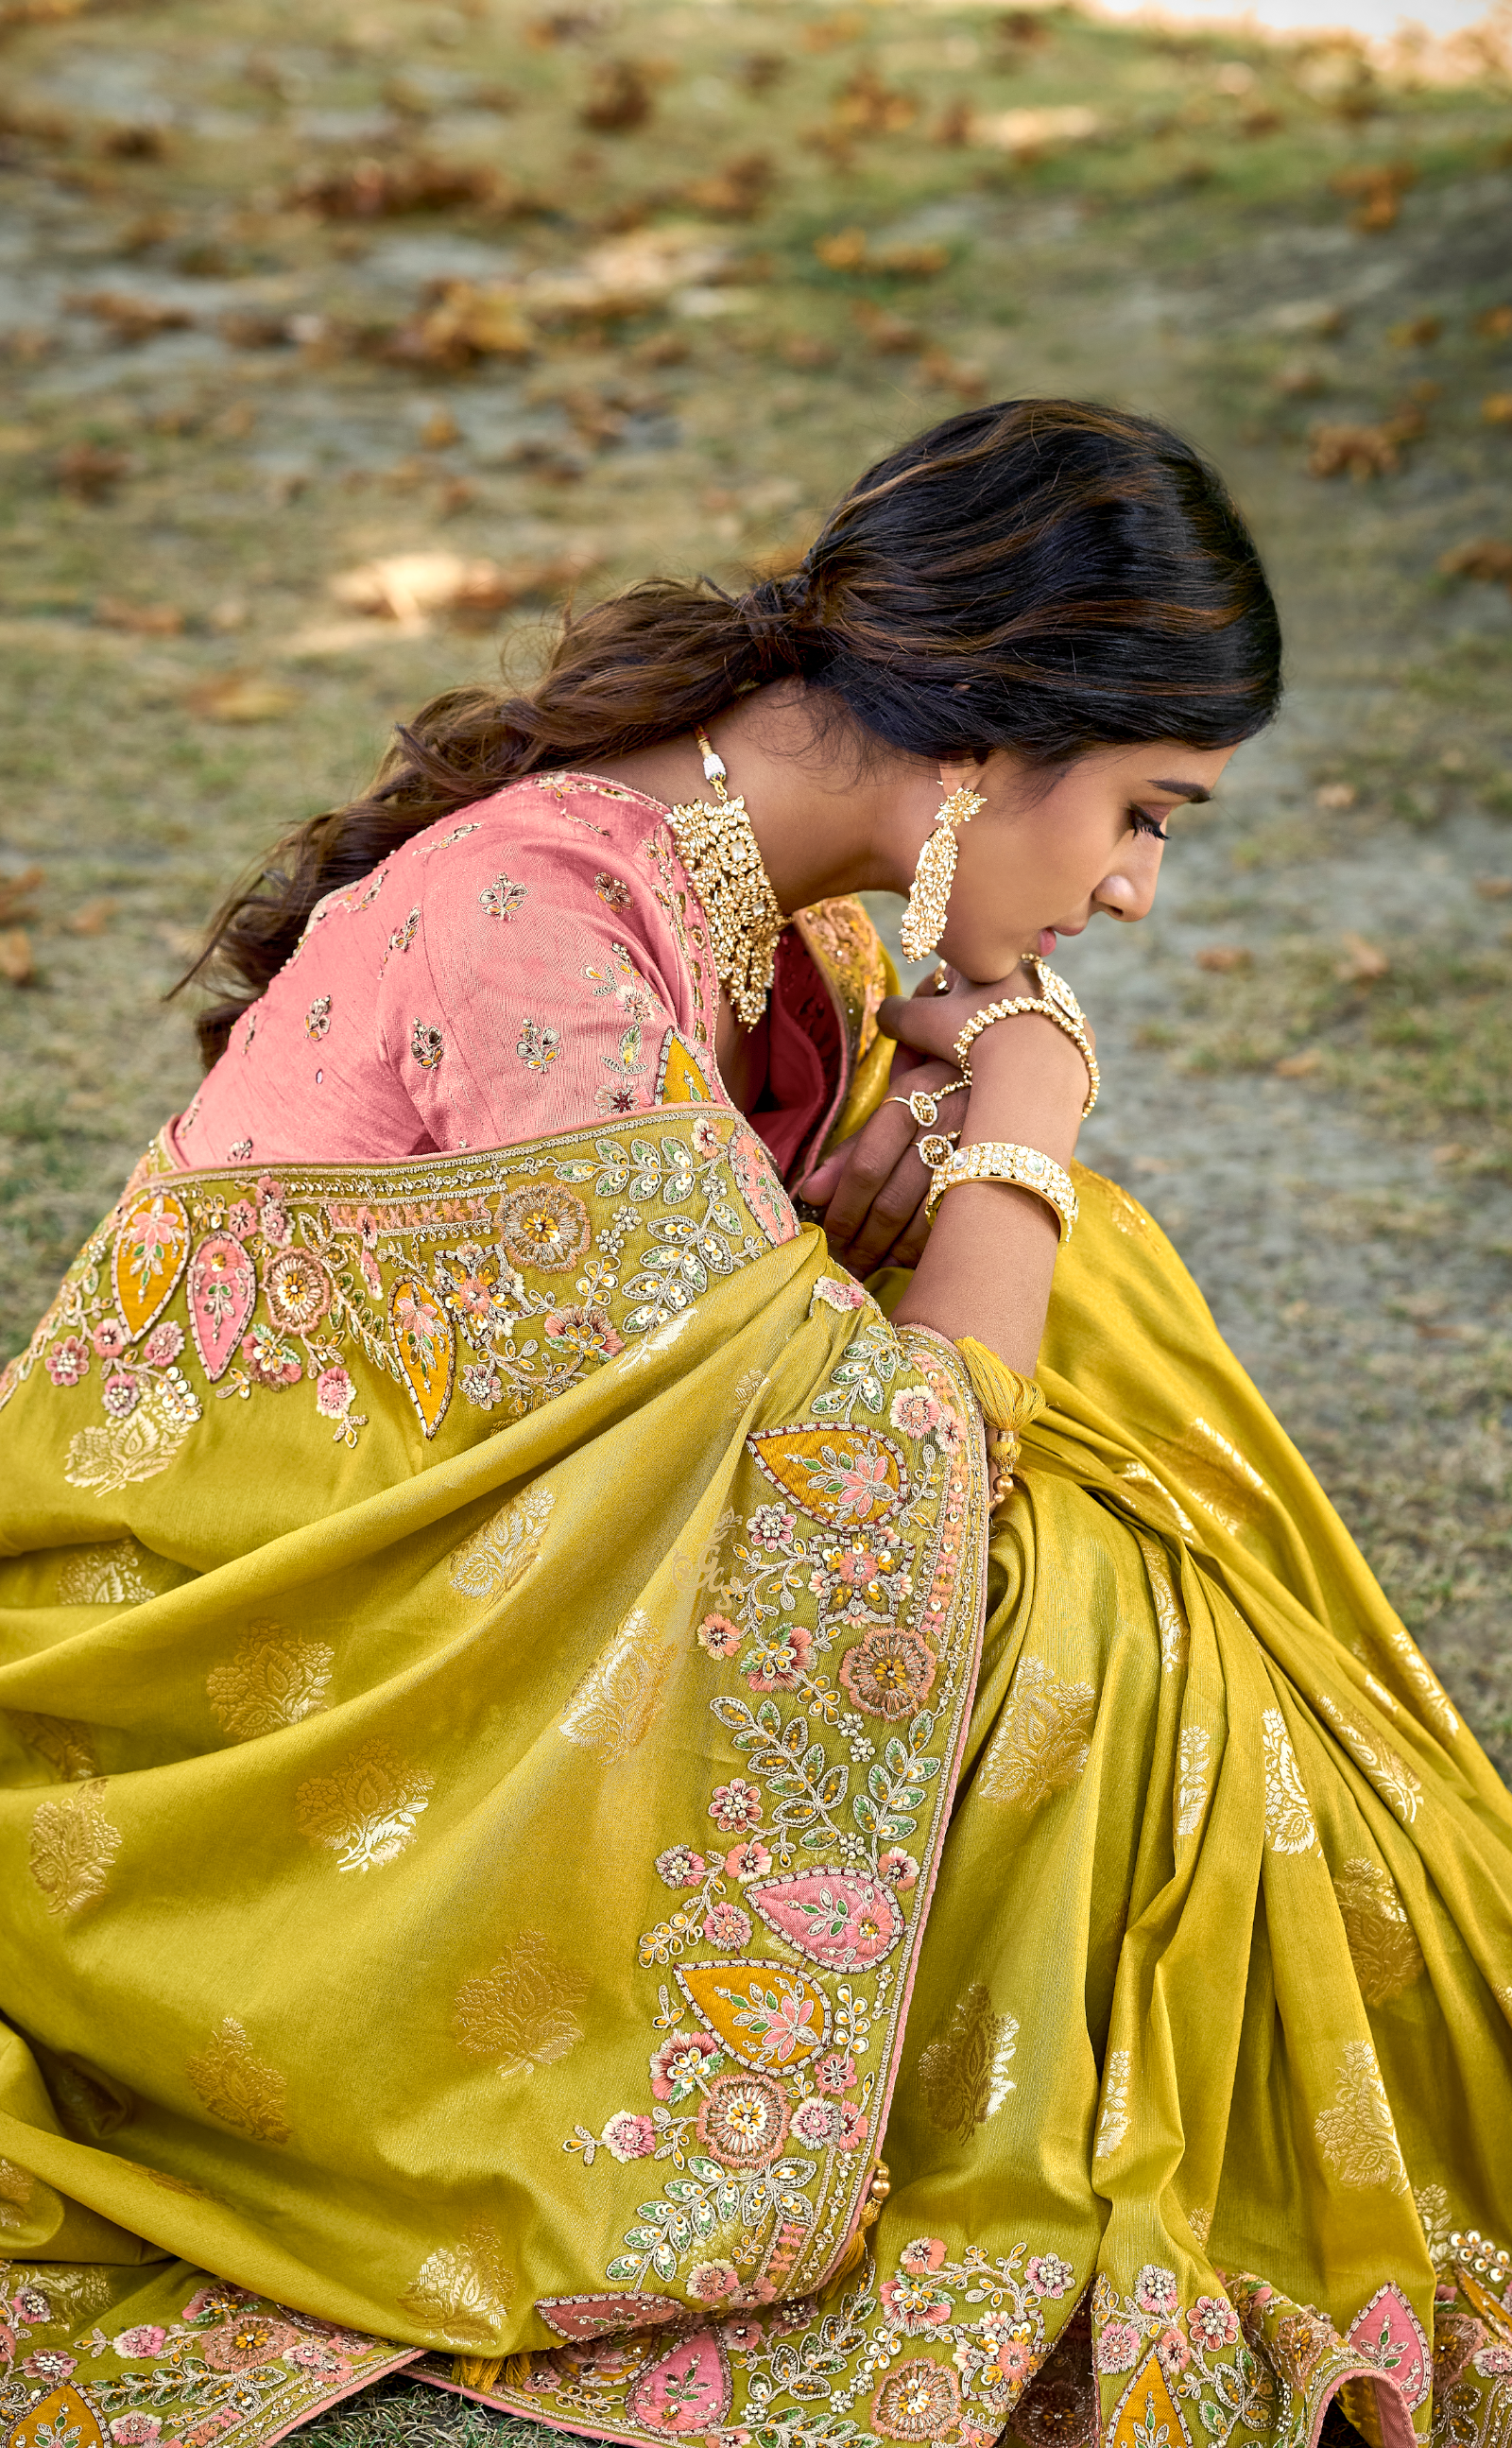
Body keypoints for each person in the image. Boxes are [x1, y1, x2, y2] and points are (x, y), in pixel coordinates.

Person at [0, 399, 1507, 2448]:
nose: (1137, 888)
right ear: (985, 736)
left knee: (1102, 1353)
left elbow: (771, 1409)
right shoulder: (547, 918)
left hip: (479, 1593)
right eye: (1146, 811)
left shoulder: (760, 877)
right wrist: (1025, 1116)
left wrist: (937, 1173)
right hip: (249, 1709)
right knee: (1088, 1612)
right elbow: (868, 1514)